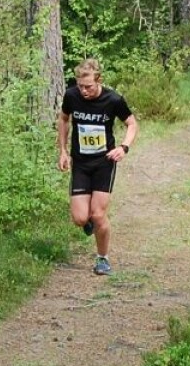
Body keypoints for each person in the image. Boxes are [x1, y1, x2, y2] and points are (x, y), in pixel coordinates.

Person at [57, 58, 138, 276]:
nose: (83, 91)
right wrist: (63, 151)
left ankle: (103, 259)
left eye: (88, 87)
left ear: (99, 80)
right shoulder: (71, 96)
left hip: (104, 162)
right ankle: (89, 222)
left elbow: (131, 123)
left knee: (99, 214)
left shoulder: (113, 99)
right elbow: (64, 119)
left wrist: (124, 147)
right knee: (80, 218)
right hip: (81, 163)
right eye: (80, 86)